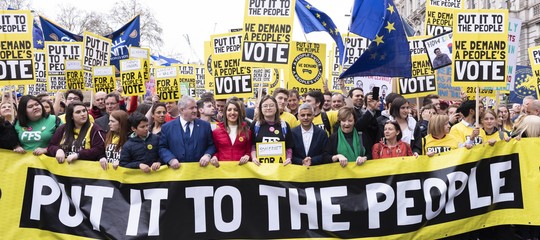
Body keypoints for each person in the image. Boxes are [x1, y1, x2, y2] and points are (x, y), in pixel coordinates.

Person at [159, 96, 216, 168]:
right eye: (192, 108)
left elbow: (211, 145)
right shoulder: (167, 127)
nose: (195, 110)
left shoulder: (205, 126)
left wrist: (207, 155)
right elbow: (162, 148)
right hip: (177, 173)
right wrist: (171, 159)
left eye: (195, 107)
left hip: (200, 172)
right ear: (182, 110)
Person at [250, 95, 294, 165]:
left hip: (279, 169)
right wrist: (254, 158)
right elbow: (252, 145)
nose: (268, 108)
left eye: (271, 105)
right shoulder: (255, 125)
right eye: (265, 106)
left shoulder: (284, 125)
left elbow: (289, 147)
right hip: (260, 168)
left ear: (276, 107)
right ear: (260, 109)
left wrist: (288, 159)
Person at [211, 98, 252, 165]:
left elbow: (249, 151)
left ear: (239, 113)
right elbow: (215, 150)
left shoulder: (247, 132)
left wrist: (247, 156)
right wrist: (215, 157)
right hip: (223, 171)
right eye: (229, 110)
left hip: (241, 171)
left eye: (235, 110)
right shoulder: (216, 132)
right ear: (225, 112)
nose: (232, 113)